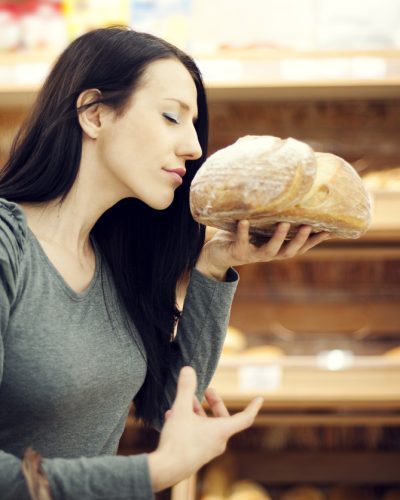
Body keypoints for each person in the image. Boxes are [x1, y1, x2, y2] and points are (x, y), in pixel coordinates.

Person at [0, 27, 330, 499]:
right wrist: (153, 472)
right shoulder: (8, 248)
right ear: (94, 114)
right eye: (172, 117)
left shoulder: (110, 257)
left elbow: (167, 404)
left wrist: (214, 266)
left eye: (193, 124)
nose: (194, 147)